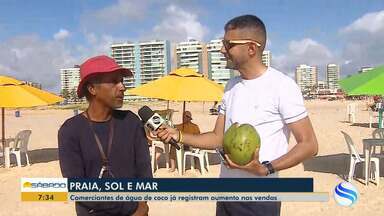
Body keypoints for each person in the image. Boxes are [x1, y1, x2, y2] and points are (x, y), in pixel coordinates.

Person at [155, 15, 318, 216]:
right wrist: (178, 135)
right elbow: (218, 137)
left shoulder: (282, 86)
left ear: (251, 48)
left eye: (228, 44)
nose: (222, 49)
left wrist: (266, 168)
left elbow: (309, 144)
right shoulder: (231, 86)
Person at [58, 55, 151, 216]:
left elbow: (144, 171)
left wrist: (142, 206)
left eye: (122, 81)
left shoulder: (131, 122)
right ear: (92, 89)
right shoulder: (70, 130)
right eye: (114, 81)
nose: (122, 87)